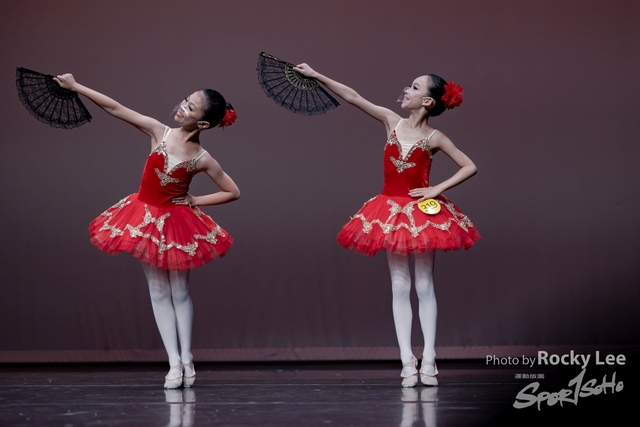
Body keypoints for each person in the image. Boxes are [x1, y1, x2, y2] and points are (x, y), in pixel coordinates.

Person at [292, 64, 480, 387]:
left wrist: (436, 189)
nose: (407, 90)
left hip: (422, 215)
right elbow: (353, 97)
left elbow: (469, 166)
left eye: (415, 87)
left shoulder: (434, 137)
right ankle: (407, 360)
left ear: (428, 102)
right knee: (399, 286)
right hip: (390, 212)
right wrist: (317, 75)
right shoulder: (392, 121)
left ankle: (430, 358)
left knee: (424, 285)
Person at [54, 74, 241, 388]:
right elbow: (116, 108)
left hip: (178, 223)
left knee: (179, 291)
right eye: (185, 100)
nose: (181, 107)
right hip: (144, 219)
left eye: (190, 107)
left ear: (203, 124)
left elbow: (232, 191)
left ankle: (187, 357)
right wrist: (76, 87)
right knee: (157, 290)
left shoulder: (202, 158)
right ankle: (174, 363)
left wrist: (195, 200)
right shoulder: (159, 132)